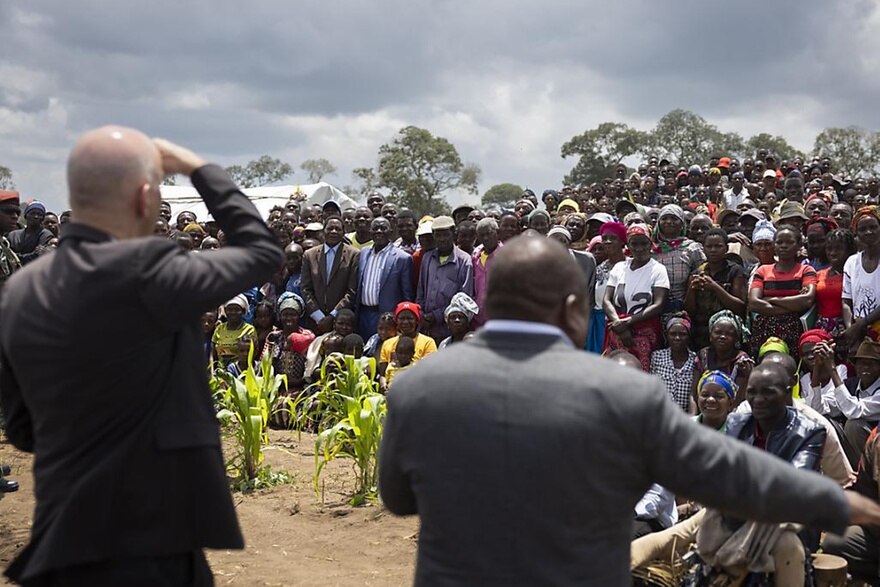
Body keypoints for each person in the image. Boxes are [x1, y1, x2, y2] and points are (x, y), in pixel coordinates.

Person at [379, 236, 880, 587]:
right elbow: (728, 473)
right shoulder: (622, 392)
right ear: (572, 307)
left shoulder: (418, 387)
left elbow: (399, 498)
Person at [0, 128, 283, 584]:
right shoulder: (155, 272)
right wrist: (197, 168)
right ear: (144, 197)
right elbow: (263, 251)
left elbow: (21, 428)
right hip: (153, 541)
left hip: (62, 540)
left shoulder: (19, 292)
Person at [603, 224, 669, 370]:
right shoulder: (619, 267)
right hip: (617, 330)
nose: (639, 248)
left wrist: (628, 322)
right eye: (634, 244)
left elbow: (658, 305)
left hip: (644, 332)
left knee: (641, 372)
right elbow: (606, 300)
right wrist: (619, 324)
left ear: (651, 244)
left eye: (644, 243)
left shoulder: (658, 270)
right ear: (628, 245)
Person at [749, 226, 817, 360]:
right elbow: (753, 303)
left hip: (794, 330)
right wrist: (793, 304)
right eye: (779, 242)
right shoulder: (763, 270)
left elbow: (807, 300)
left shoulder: (806, 270)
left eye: (789, 242)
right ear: (774, 245)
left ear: (799, 245)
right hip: (764, 330)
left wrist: (771, 299)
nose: (784, 246)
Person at [684, 227, 747, 350]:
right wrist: (692, 290)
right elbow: (689, 311)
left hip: (727, 331)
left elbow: (740, 307)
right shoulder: (697, 272)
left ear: (726, 248)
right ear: (704, 249)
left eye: (718, 246)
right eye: (709, 246)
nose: (713, 250)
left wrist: (715, 287)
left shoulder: (735, 271)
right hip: (701, 332)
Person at [416, 215, 474, 341]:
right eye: (438, 235)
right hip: (427, 327)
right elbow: (421, 291)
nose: (442, 239)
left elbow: (464, 298)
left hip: (450, 328)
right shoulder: (427, 258)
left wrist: (435, 316)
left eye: (446, 235)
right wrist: (422, 314)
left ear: (453, 234)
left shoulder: (464, 260)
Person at [354, 216, 414, 340]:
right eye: (375, 228)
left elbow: (407, 295)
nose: (379, 231)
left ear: (391, 231)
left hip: (388, 317)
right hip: (363, 315)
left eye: (383, 228)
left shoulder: (402, 258)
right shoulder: (363, 253)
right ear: (370, 231)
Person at [301, 216, 359, 334]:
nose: (333, 231)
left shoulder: (353, 255)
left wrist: (333, 316)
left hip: (341, 322)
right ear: (324, 231)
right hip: (315, 321)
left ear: (344, 232)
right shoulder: (309, 255)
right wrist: (318, 316)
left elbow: (352, 291)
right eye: (330, 228)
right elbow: (306, 289)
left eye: (338, 229)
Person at [652, 204, 705, 315]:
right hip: (652, 307)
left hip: (682, 309)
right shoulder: (651, 249)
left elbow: (702, 275)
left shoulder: (693, 248)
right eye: (664, 218)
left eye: (674, 218)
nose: (669, 222)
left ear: (682, 224)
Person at [843, 206, 880, 348]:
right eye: (863, 229)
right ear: (856, 233)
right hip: (858, 332)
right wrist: (850, 328)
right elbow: (846, 300)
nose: (868, 232)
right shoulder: (852, 262)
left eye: (873, 227)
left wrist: (860, 324)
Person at [588, 221, 625, 353]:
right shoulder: (599, 268)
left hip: (620, 321)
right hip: (598, 322)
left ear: (622, 242)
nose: (608, 242)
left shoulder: (630, 266)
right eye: (605, 238)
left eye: (613, 238)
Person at [649, 313, 697, 413]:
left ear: (689, 336)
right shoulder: (657, 357)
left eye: (682, 334)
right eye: (673, 334)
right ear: (667, 336)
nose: (677, 338)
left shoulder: (695, 360)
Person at [816, 228, 856, 344]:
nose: (833, 253)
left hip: (847, 327)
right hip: (822, 327)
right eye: (829, 248)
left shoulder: (854, 275)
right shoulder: (819, 274)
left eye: (838, 248)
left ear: (849, 250)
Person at [379, 302, 437, 375]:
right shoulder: (387, 343)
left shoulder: (428, 342)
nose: (405, 322)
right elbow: (383, 374)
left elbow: (430, 369)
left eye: (410, 318)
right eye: (402, 318)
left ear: (417, 320)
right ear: (397, 321)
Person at [471, 217, 502, 328]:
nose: (486, 238)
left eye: (488, 234)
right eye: (482, 235)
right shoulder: (475, 256)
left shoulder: (506, 256)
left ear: (497, 232)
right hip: (477, 318)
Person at [212, 295, 257, 366]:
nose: (233, 312)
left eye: (236, 309)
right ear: (225, 311)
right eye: (230, 309)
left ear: (243, 311)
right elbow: (213, 354)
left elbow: (252, 353)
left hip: (240, 370)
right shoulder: (219, 328)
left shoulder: (249, 329)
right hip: (220, 370)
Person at [6, 201, 54, 265]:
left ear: (42, 219)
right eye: (32, 213)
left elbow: (37, 256)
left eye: (39, 214)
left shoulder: (46, 235)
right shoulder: (13, 235)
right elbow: (7, 254)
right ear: (26, 215)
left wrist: (15, 258)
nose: (36, 216)